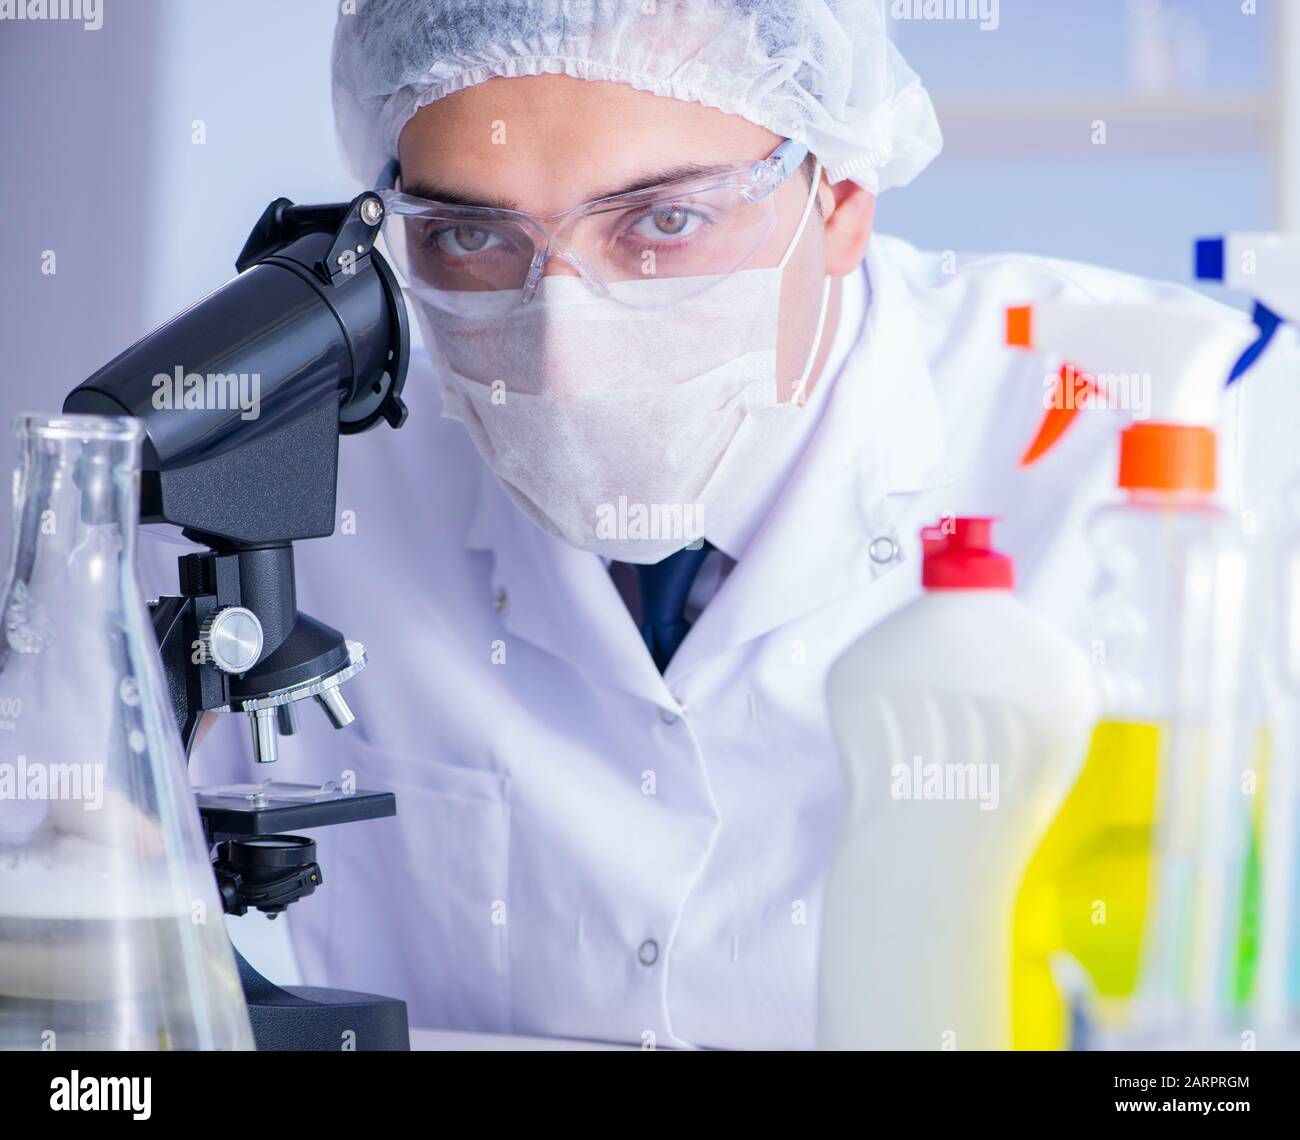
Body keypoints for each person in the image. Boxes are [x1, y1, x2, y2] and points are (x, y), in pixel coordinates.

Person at [157, 0, 1274, 1049]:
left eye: (666, 221)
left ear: (837, 198)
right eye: (469, 236)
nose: (565, 355)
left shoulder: (1172, 425)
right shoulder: (307, 469)